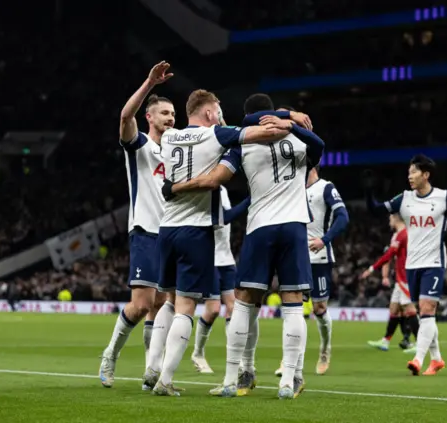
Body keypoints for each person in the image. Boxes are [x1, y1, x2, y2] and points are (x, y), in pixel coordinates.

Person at [166, 93, 323, 399]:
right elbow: (320, 145)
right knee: (292, 304)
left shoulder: (243, 143)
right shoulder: (300, 140)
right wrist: (289, 119)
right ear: (272, 111)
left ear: (248, 114)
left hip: (260, 227)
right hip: (294, 227)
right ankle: (288, 382)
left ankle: (231, 378)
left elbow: (219, 176)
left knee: (243, 303)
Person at [99, 61, 177, 388]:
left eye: (174, 114)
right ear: (150, 117)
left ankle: (151, 370)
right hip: (145, 230)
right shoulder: (141, 146)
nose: (171, 118)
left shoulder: (178, 152)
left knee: (160, 306)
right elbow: (124, 117)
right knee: (142, 304)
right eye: (164, 114)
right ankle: (110, 355)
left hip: (172, 234)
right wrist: (148, 83)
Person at [366, 154, 447, 376]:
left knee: (427, 309)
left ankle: (418, 359)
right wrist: (368, 190)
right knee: (425, 315)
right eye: (408, 173)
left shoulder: (443, 198)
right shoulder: (404, 199)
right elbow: (376, 210)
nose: (409, 176)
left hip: (434, 262)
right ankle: (437, 359)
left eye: (413, 172)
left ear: (426, 175)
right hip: (412, 265)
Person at [275, 164, 349, 376]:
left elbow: (343, 216)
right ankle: (289, 359)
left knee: (319, 309)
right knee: (293, 308)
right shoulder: (292, 187)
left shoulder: (326, 188)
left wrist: (324, 240)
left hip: (320, 257)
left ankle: (325, 350)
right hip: (296, 256)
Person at [191, 186, 250, 373]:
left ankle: (235, 358)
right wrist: (251, 199)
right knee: (214, 309)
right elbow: (224, 217)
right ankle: (198, 353)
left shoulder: (223, 189)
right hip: (209, 258)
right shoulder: (205, 188)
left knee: (233, 306)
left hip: (226, 257)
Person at [361, 214, 419, 353]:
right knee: (394, 308)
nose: (389, 222)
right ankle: (386, 341)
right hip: (400, 278)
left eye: (390, 219)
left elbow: (389, 255)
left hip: (406, 277)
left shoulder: (402, 235)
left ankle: (420, 343)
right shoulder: (402, 234)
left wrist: (372, 268)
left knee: (409, 309)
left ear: (396, 219)